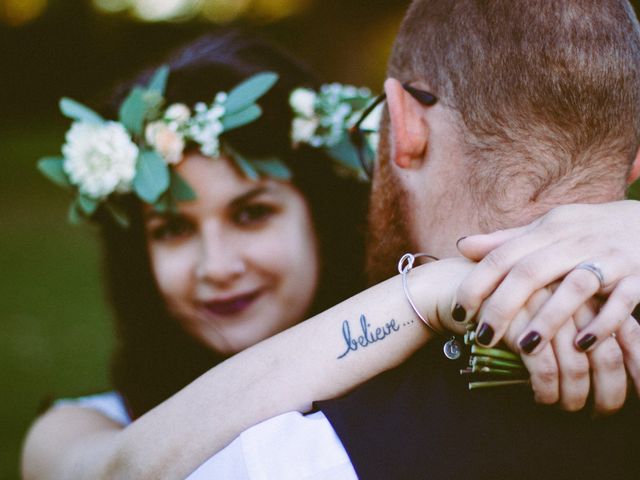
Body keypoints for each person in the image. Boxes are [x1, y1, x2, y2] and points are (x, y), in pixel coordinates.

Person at [22, 16, 640, 480]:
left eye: (252, 213)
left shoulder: (404, 405)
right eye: (173, 230)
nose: (217, 266)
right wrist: (431, 288)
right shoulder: (73, 427)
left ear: (317, 212)